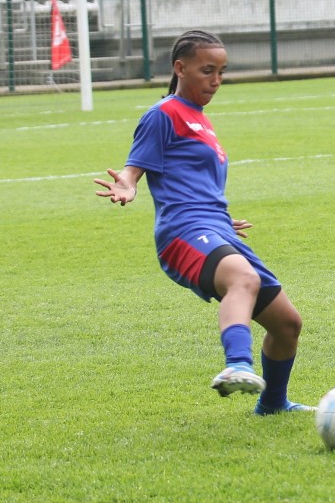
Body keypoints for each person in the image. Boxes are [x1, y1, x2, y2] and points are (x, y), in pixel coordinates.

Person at [94, 30, 313, 416]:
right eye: (207, 71)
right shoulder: (163, 114)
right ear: (180, 68)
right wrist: (126, 187)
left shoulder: (200, 120)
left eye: (222, 72)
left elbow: (192, 182)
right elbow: (133, 169)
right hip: (182, 233)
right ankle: (238, 365)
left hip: (213, 229)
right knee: (243, 280)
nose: (216, 81)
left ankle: (273, 404)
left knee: (287, 325)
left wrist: (222, 221)